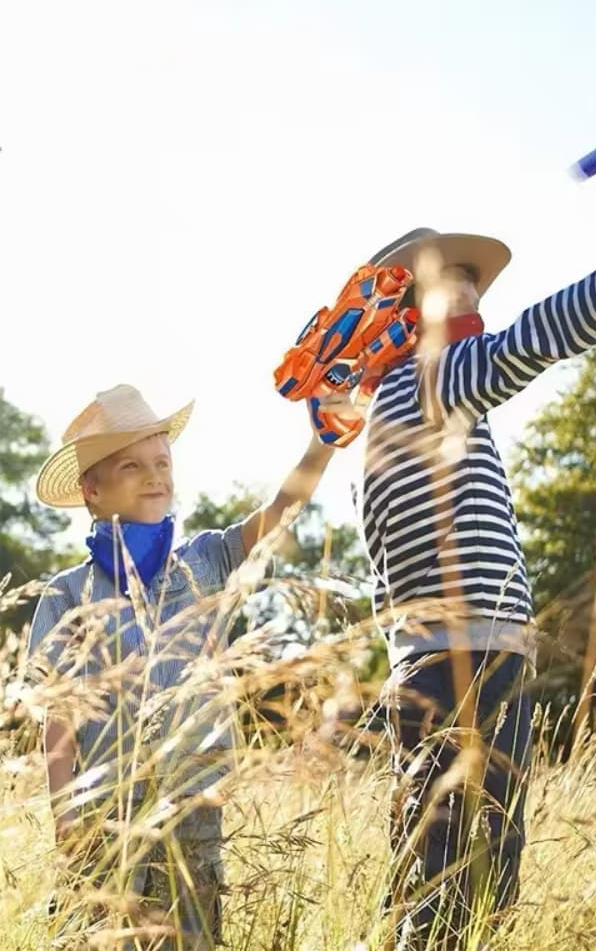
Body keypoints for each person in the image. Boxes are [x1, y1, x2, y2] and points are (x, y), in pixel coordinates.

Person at [360, 210, 596, 948]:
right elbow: (536, 340)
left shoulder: (403, 406)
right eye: (450, 288)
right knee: (460, 892)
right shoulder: (429, 376)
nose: (471, 301)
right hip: (465, 664)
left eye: (476, 289)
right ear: (402, 313)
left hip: (446, 662)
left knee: (445, 880)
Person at [27, 382, 346, 949]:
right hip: (105, 817)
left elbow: (278, 514)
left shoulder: (204, 561)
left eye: (162, 462)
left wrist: (320, 445)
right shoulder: (68, 592)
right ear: (92, 491)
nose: (155, 475)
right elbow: (59, 718)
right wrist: (65, 816)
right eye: (132, 465)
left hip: (192, 816)